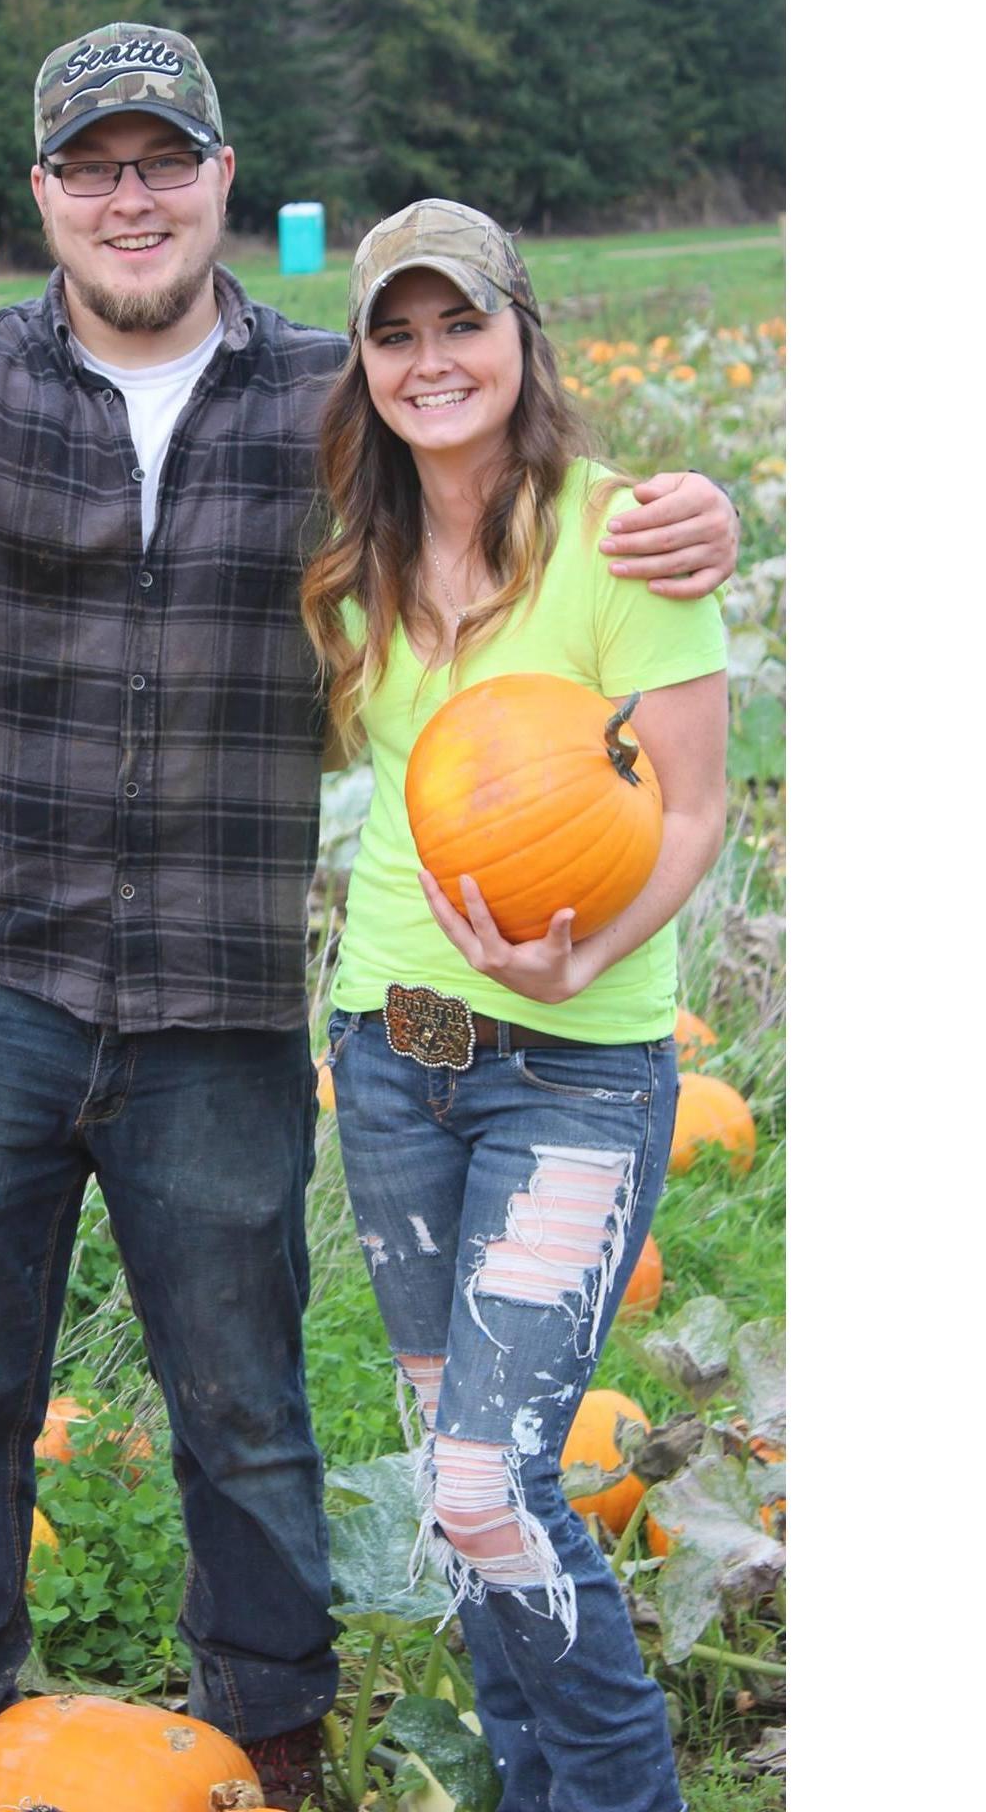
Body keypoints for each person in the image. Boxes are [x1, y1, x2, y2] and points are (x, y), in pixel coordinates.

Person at [0, 25, 740, 1812]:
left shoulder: (326, 400)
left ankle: (269, 1742)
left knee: (248, 1399)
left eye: (166, 160)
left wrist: (688, 517)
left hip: (213, 996)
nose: (132, 197)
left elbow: (507, 477)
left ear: (222, 179)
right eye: (93, 166)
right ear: (43, 196)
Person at [301, 198, 729, 1812]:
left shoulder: (623, 534)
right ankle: (536, 1784)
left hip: (573, 1066)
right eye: (395, 334)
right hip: (394, 1061)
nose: (432, 362)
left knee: (488, 1482)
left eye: (461, 325)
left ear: (520, 338)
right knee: (458, 1478)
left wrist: (586, 946)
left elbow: (692, 810)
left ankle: (622, 1797)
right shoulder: (358, 551)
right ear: (364, 363)